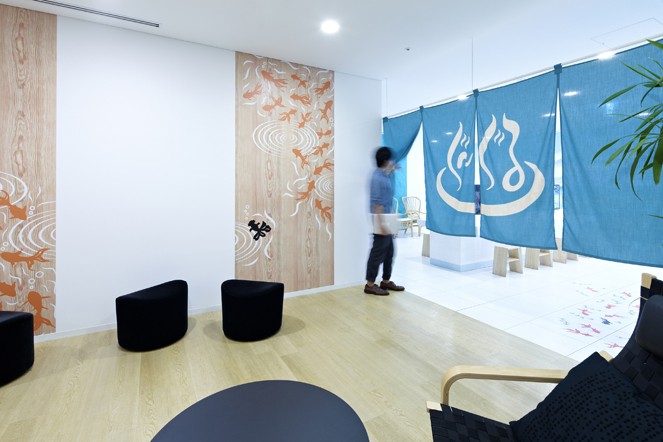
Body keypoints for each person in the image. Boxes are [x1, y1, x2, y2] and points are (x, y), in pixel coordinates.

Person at [364, 146, 405, 296]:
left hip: (387, 218)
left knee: (390, 252)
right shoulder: (377, 178)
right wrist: (381, 224)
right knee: (377, 253)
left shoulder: (384, 173)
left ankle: (385, 281)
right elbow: (376, 203)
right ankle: (370, 285)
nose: (392, 162)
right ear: (385, 161)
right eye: (390, 160)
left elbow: (390, 168)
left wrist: (393, 167)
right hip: (380, 219)